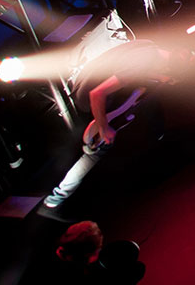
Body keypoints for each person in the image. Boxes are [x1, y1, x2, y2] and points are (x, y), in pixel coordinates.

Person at [40, 40, 185, 212]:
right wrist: (103, 127)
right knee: (93, 154)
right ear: (167, 67)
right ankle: (55, 200)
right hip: (90, 97)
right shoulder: (141, 63)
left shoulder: (151, 48)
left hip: (94, 87)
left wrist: (161, 79)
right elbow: (97, 94)